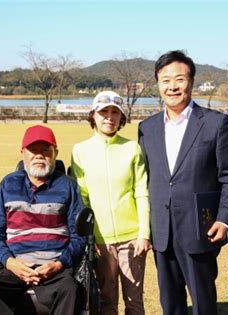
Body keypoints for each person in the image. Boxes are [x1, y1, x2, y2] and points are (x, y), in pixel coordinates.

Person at [138, 50, 228, 314]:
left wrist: (224, 219)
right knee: (170, 302)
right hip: (162, 231)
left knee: (203, 300)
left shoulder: (215, 123)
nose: (172, 86)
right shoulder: (146, 128)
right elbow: (146, 179)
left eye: (179, 79)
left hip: (200, 227)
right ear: (158, 83)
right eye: (165, 80)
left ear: (191, 82)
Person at [0, 125, 86, 315]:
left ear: (55, 153)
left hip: (55, 269)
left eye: (45, 150)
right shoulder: (7, 185)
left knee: (71, 289)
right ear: (23, 154)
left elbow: (79, 237)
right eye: (33, 150)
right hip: (15, 268)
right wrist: (11, 262)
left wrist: (59, 264)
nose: (39, 155)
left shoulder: (67, 186)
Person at [70, 91, 151, 315]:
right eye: (103, 111)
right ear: (93, 116)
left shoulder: (132, 148)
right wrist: (88, 237)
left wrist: (144, 233)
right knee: (106, 300)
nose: (109, 117)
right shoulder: (80, 151)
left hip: (132, 240)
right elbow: (82, 198)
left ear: (121, 117)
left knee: (134, 301)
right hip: (100, 241)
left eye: (115, 112)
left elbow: (141, 192)